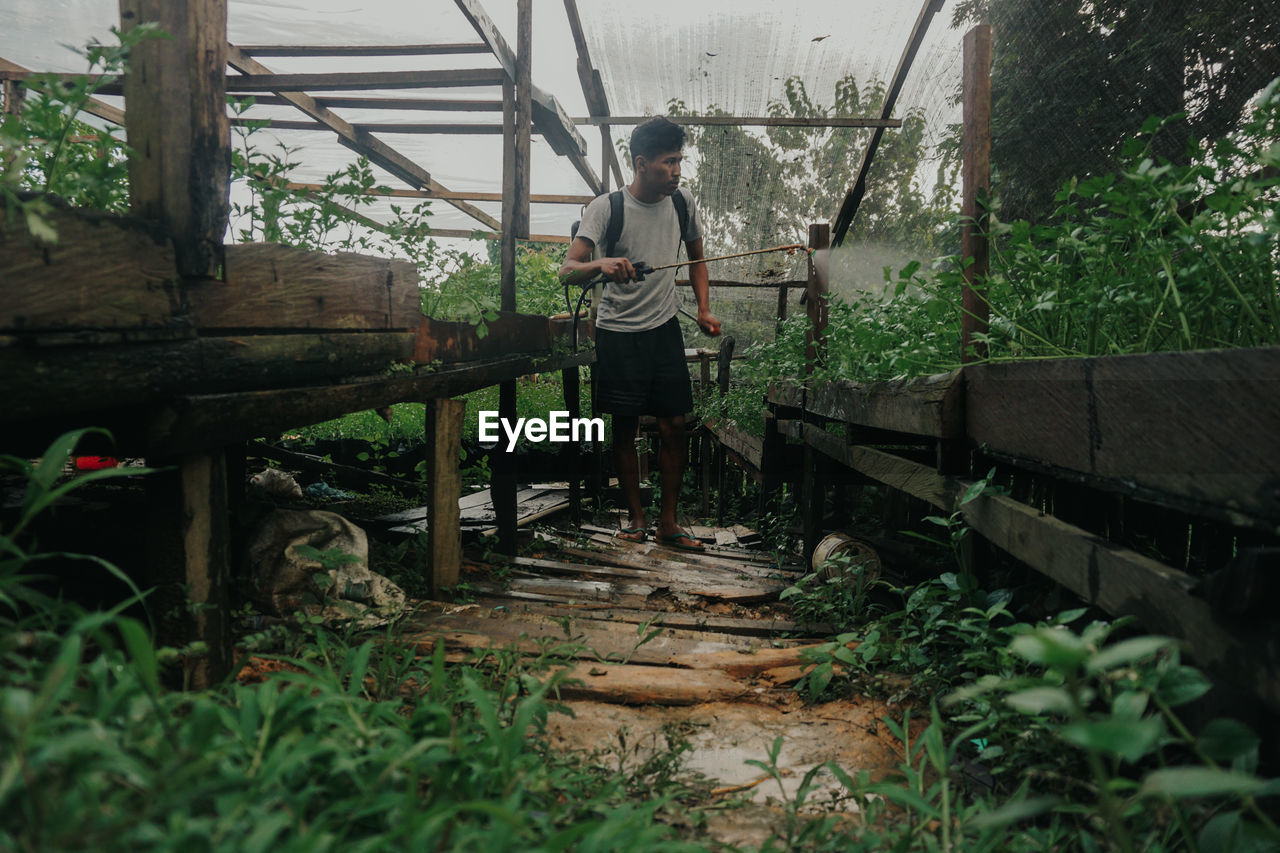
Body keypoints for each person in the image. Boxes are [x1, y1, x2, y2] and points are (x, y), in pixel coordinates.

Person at [559, 116, 721, 551]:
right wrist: (602, 265)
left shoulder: (683, 202)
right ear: (642, 163)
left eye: (680, 161)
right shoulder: (606, 207)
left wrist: (704, 308)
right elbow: (568, 270)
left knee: (674, 425)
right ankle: (635, 519)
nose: (677, 171)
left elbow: (698, 259)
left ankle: (669, 522)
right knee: (624, 427)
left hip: (664, 327)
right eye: (669, 162)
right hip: (617, 333)